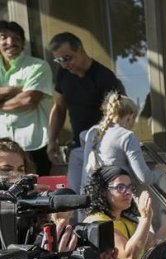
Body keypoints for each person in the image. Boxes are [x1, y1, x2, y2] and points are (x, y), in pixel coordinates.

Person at [47, 32, 125, 194]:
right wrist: (52, 140)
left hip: (101, 148)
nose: (64, 64)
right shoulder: (63, 74)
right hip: (78, 146)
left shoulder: (104, 77)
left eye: (67, 58)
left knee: (95, 196)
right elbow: (59, 107)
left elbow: (118, 116)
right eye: (59, 60)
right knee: (73, 197)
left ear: (80, 50)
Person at [82, 165, 166, 259]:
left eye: (130, 187)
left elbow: (156, 243)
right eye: (120, 187)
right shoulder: (96, 221)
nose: (128, 192)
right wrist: (145, 219)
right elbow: (129, 255)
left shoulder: (126, 221)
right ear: (103, 191)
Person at [80, 91, 166, 193]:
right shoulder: (127, 136)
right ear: (130, 117)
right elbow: (145, 178)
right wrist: (159, 171)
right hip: (114, 201)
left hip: (88, 198)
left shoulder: (92, 132)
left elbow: (82, 136)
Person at [0, 21, 53, 176]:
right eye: (4, 37)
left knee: (37, 192)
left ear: (23, 43)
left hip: (33, 145)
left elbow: (28, 100)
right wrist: (12, 90)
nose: (10, 42)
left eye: (16, 38)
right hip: (2, 148)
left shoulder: (38, 67)